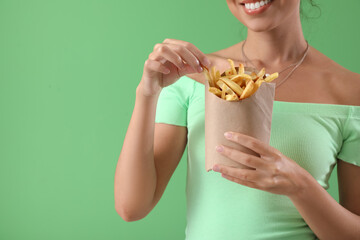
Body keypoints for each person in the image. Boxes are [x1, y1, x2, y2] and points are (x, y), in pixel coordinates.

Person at [114, 0, 360, 239]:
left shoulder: (351, 92)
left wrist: (300, 186)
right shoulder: (190, 76)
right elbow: (132, 207)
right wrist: (147, 94)